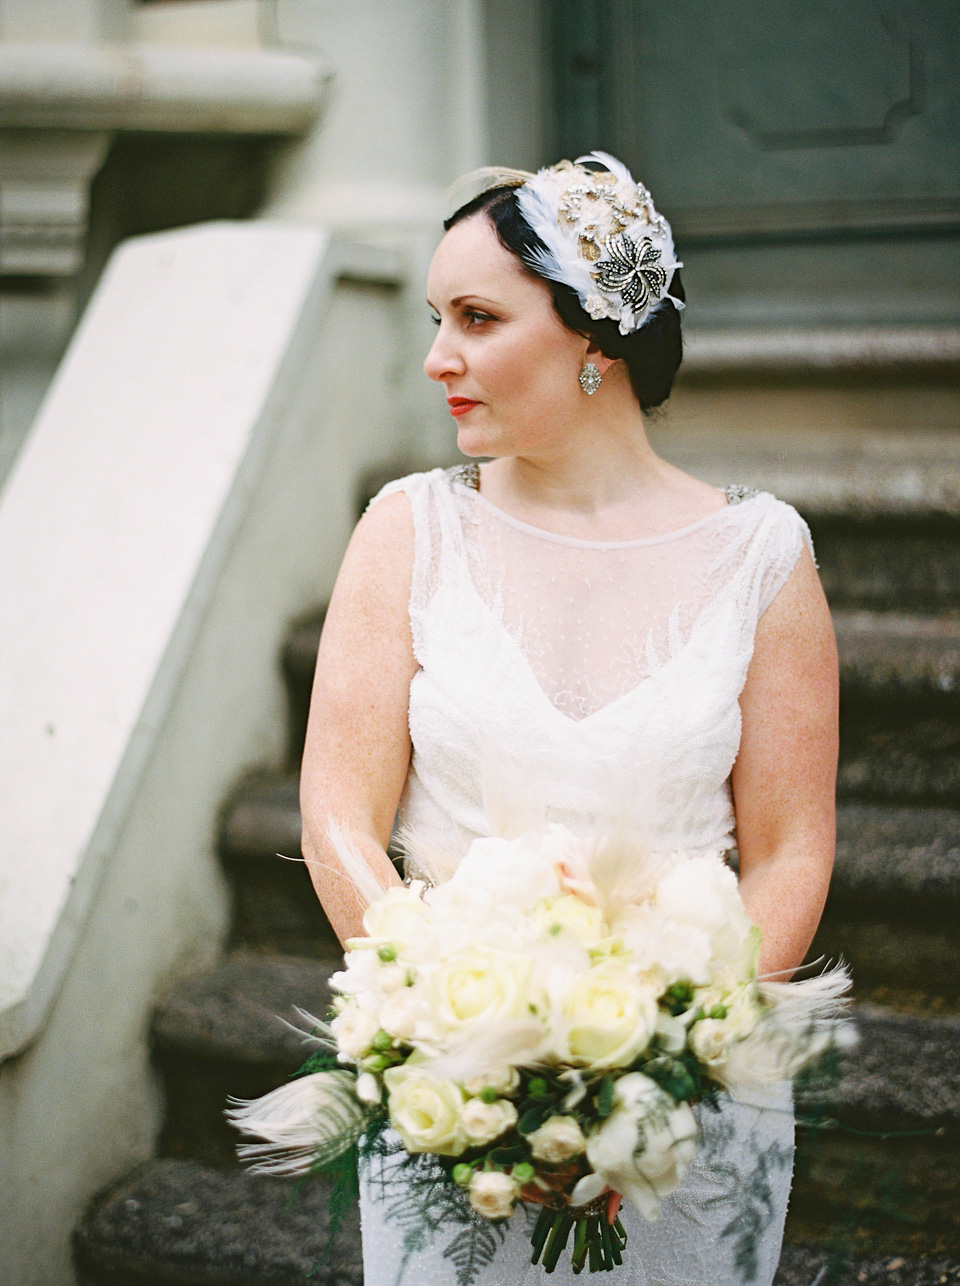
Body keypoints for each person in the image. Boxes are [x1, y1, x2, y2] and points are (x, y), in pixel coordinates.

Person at [299, 152, 839, 1285]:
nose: (439, 357)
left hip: (684, 1120)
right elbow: (338, 818)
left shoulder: (763, 555)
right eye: (436, 317)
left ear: (598, 337)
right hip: (456, 1106)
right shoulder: (409, 528)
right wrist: (452, 1036)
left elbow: (790, 847)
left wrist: (665, 1059)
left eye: (479, 317)